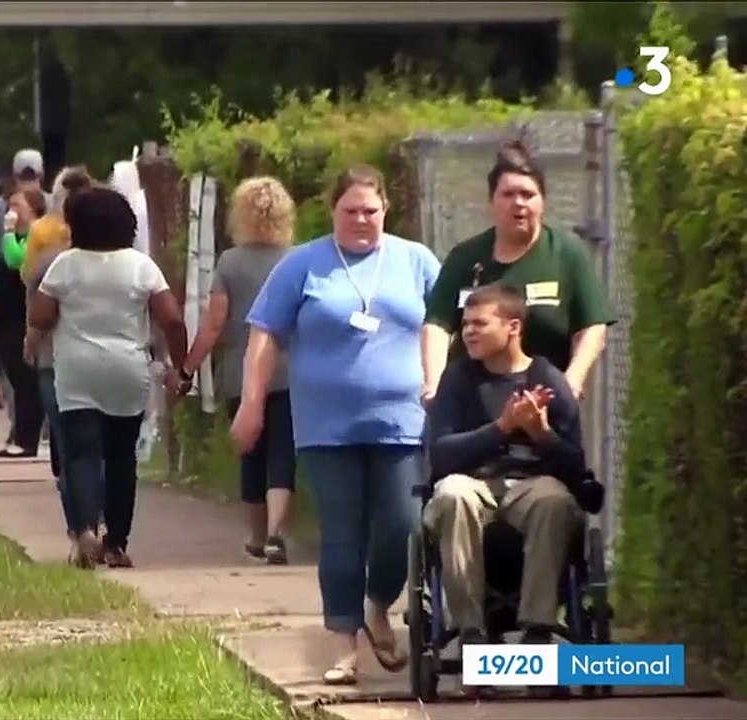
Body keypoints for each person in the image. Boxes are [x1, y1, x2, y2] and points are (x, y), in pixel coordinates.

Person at [233, 165, 440, 685]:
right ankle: (343, 644)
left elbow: (443, 326)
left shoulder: (415, 261)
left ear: (385, 209)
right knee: (342, 535)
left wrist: (439, 381)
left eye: (371, 210)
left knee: (403, 526)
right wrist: (252, 403)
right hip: (327, 427)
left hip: (401, 423)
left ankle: (378, 605)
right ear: (333, 211)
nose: (362, 220)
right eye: (351, 210)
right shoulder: (303, 265)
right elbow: (264, 336)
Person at [424, 284, 586, 660]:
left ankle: (537, 631)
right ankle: (471, 631)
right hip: (472, 480)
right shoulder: (457, 380)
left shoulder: (548, 379)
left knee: (554, 500)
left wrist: (541, 434)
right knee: (452, 494)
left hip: (531, 482)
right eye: (465, 324)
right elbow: (442, 454)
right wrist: (501, 427)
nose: (468, 332)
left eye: (480, 324)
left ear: (513, 327)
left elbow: (576, 464)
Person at [29, 186, 188, 569]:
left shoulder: (65, 265)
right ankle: (116, 544)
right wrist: (179, 365)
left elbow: (40, 318)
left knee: (81, 454)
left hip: (77, 368)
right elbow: (171, 318)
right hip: (127, 368)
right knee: (121, 458)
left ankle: (84, 530)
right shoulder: (140, 266)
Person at [420, 140, 615, 404]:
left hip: (544, 401)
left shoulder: (566, 254)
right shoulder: (466, 257)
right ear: (492, 202)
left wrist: (572, 382)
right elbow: (437, 325)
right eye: (508, 194)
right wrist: (434, 384)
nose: (518, 203)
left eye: (528, 195)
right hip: (472, 404)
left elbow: (592, 328)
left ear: (542, 202)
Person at [181, 176, 296, 565]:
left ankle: (257, 537)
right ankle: (279, 531)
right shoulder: (296, 259)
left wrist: (188, 367)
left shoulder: (230, 262)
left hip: (241, 373)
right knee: (284, 454)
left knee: (253, 453)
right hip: (290, 372)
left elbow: (215, 323)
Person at [22, 165, 101, 562]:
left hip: (57, 362)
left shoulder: (47, 254)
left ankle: (80, 529)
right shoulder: (119, 258)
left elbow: (35, 308)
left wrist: (30, 342)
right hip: (106, 360)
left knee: (70, 449)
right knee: (105, 447)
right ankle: (103, 523)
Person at [0, 149, 55, 443]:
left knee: (30, 374)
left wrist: (10, 232)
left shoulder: (45, 219)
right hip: (9, 300)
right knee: (16, 371)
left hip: (30, 300)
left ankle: (30, 431)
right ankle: (23, 426)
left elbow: (16, 260)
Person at [0, 187, 48, 458]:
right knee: (17, 378)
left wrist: (8, 232)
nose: (10, 211)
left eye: (17, 205)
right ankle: (20, 431)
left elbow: (17, 261)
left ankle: (27, 439)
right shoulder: (19, 236)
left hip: (23, 318)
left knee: (27, 381)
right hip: (8, 316)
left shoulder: (35, 236)